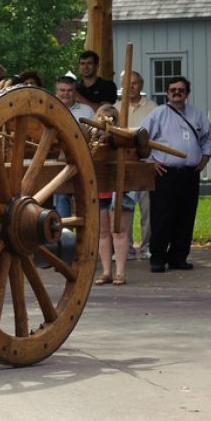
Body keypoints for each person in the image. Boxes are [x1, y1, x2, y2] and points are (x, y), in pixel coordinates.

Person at [139, 76, 211, 273]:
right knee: (162, 216)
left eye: (181, 89)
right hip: (165, 173)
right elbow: (141, 139)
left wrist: (205, 157)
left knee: (186, 216)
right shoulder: (158, 114)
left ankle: (179, 257)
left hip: (189, 173)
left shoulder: (197, 115)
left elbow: (207, 138)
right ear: (167, 93)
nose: (176, 92)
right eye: (173, 90)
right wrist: (150, 161)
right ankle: (158, 258)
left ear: (187, 93)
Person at [92, 105, 130, 286]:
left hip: (117, 188)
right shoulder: (92, 139)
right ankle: (106, 271)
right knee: (103, 232)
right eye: (102, 119)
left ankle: (120, 272)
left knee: (119, 230)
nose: (106, 123)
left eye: (110, 119)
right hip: (100, 190)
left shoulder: (122, 138)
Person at [124, 71, 155, 260]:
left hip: (144, 165)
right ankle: (126, 249)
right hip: (125, 165)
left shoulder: (153, 108)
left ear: (141, 85)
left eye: (135, 83)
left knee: (148, 209)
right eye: (128, 83)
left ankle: (147, 247)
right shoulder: (116, 108)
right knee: (124, 209)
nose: (131, 87)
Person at [53, 77, 94, 218]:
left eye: (69, 90)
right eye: (62, 90)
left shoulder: (87, 111)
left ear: (75, 92)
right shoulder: (49, 109)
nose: (66, 94)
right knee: (61, 195)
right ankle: (63, 232)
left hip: (81, 160)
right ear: (56, 91)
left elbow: (93, 136)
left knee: (82, 197)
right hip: (56, 160)